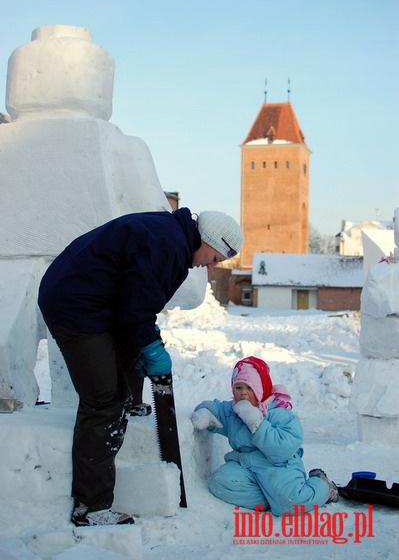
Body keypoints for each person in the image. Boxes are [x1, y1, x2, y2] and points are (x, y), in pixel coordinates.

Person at [38, 207, 243, 527]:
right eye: (215, 257)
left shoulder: (172, 237)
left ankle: (131, 403)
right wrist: (153, 348)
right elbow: (135, 311)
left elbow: (138, 306)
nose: (212, 266)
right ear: (207, 239)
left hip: (95, 300)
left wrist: (145, 345)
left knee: (134, 345)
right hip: (75, 305)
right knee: (103, 401)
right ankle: (90, 507)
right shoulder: (168, 244)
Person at [191, 356, 339, 516]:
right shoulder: (233, 410)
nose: (243, 394)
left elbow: (283, 449)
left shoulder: (279, 413)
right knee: (221, 482)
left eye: (249, 388)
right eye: (238, 388)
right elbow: (217, 408)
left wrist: (257, 423)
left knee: (293, 504)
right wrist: (205, 412)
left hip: (278, 466)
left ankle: (323, 486)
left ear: (260, 389)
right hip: (245, 465)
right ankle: (274, 498)